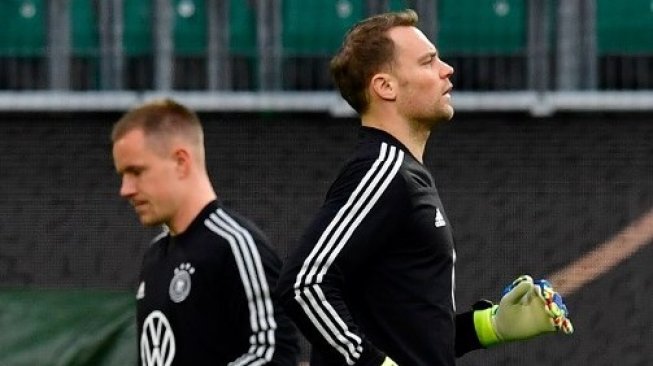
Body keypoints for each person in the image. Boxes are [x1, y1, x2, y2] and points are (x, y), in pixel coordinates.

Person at [277, 9, 573, 366]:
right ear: (385, 87)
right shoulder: (382, 170)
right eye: (428, 61)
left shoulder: (404, 173)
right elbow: (303, 284)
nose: (446, 69)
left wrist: (491, 325)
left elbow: (414, 336)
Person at [111, 99, 299, 365]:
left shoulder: (235, 246)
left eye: (136, 172)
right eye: (122, 175)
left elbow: (274, 355)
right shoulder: (155, 256)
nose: (125, 189)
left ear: (181, 162)